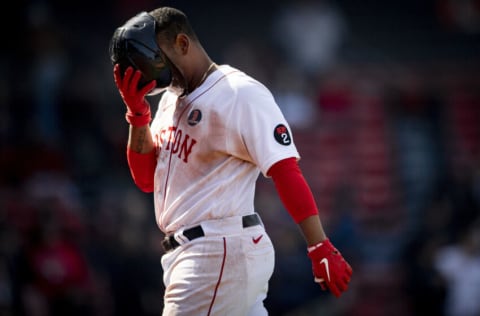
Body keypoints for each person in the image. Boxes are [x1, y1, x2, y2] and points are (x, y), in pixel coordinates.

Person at [109, 6, 352, 315]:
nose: (150, 72)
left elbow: (285, 169)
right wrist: (138, 116)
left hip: (215, 251)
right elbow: (146, 180)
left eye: (152, 59)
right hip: (201, 253)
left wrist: (319, 244)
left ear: (182, 44)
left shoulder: (238, 92)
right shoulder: (170, 100)